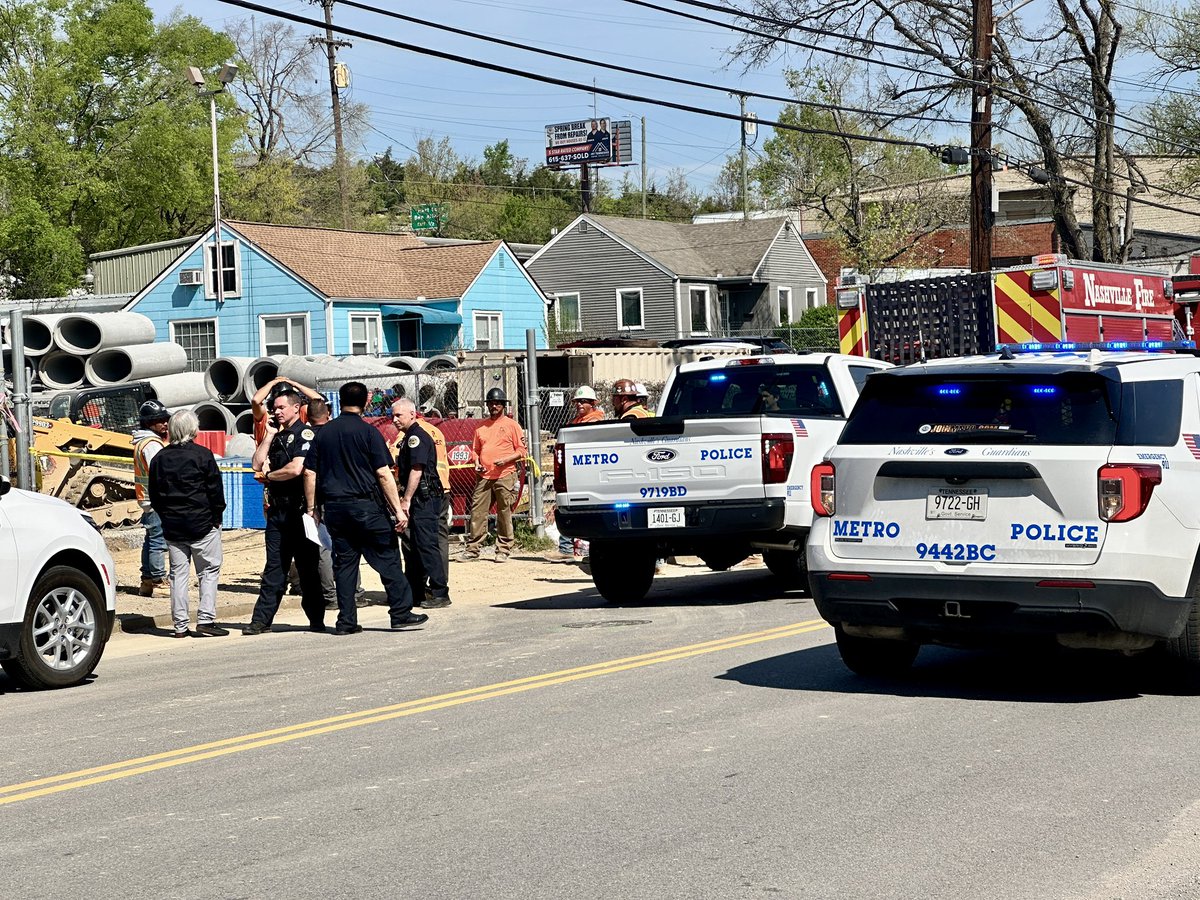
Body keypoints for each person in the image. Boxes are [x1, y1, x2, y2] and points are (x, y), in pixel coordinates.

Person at [304, 381, 428, 635]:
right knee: (388, 558)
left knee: (345, 565)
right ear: (366, 403)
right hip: (366, 507)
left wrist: (312, 509)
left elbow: (309, 473)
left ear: (339, 402)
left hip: (335, 510)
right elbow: (383, 474)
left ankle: (346, 621)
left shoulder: (323, 433)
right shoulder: (369, 433)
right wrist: (398, 509)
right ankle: (400, 613)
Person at [244, 387, 325, 635]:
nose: (276, 411)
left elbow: (296, 468)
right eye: (275, 408)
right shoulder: (278, 436)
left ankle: (316, 620)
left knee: (308, 570)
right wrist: (268, 436)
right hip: (278, 514)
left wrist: (269, 476)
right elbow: (256, 463)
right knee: (274, 568)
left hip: (299, 512)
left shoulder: (306, 433)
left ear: (295, 408)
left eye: (281, 407)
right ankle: (260, 621)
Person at [147, 410, 227, 638]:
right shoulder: (203, 455)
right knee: (208, 572)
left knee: (178, 575)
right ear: (193, 430)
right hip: (203, 523)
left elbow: (155, 495)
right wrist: (216, 518)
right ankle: (206, 620)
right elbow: (215, 491)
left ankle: (180, 625)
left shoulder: (159, 459)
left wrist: (166, 516)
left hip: (173, 526)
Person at [392, 398, 451, 609]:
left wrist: (406, 499)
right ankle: (417, 591)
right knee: (416, 545)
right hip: (422, 498)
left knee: (427, 545)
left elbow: (417, 471)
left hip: (424, 498)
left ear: (412, 413)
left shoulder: (416, 437)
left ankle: (440, 593)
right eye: (393, 415)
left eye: (399, 415)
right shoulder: (409, 437)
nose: (394, 419)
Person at [462, 387, 527, 563]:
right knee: (478, 511)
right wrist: (476, 462)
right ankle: (473, 549)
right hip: (484, 476)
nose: (494, 406)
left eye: (498, 403)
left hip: (505, 474)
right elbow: (475, 450)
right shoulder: (480, 427)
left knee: (504, 511)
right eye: (491, 403)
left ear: (503, 405)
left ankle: (503, 549)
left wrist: (506, 460)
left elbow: (522, 451)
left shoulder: (512, 426)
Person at [547, 385, 605, 561]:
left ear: (592, 404)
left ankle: (589, 550)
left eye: (584, 401)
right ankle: (566, 549)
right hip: (574, 471)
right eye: (577, 402)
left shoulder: (595, 421)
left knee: (592, 510)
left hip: (590, 472)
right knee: (568, 508)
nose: (579, 404)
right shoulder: (577, 422)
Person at [133, 399, 171, 597]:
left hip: (146, 499)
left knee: (150, 540)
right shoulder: (152, 444)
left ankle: (147, 581)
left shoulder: (142, 441)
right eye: (159, 420)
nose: (165, 423)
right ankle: (158, 581)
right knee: (158, 541)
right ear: (148, 423)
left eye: (165, 419)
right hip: (156, 499)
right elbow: (161, 472)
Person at [250, 376, 321, 446]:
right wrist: (273, 383)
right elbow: (256, 401)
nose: (278, 412)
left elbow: (319, 402)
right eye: (277, 407)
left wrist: (296, 385)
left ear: (295, 406)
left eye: (282, 407)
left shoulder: (301, 414)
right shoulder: (266, 419)